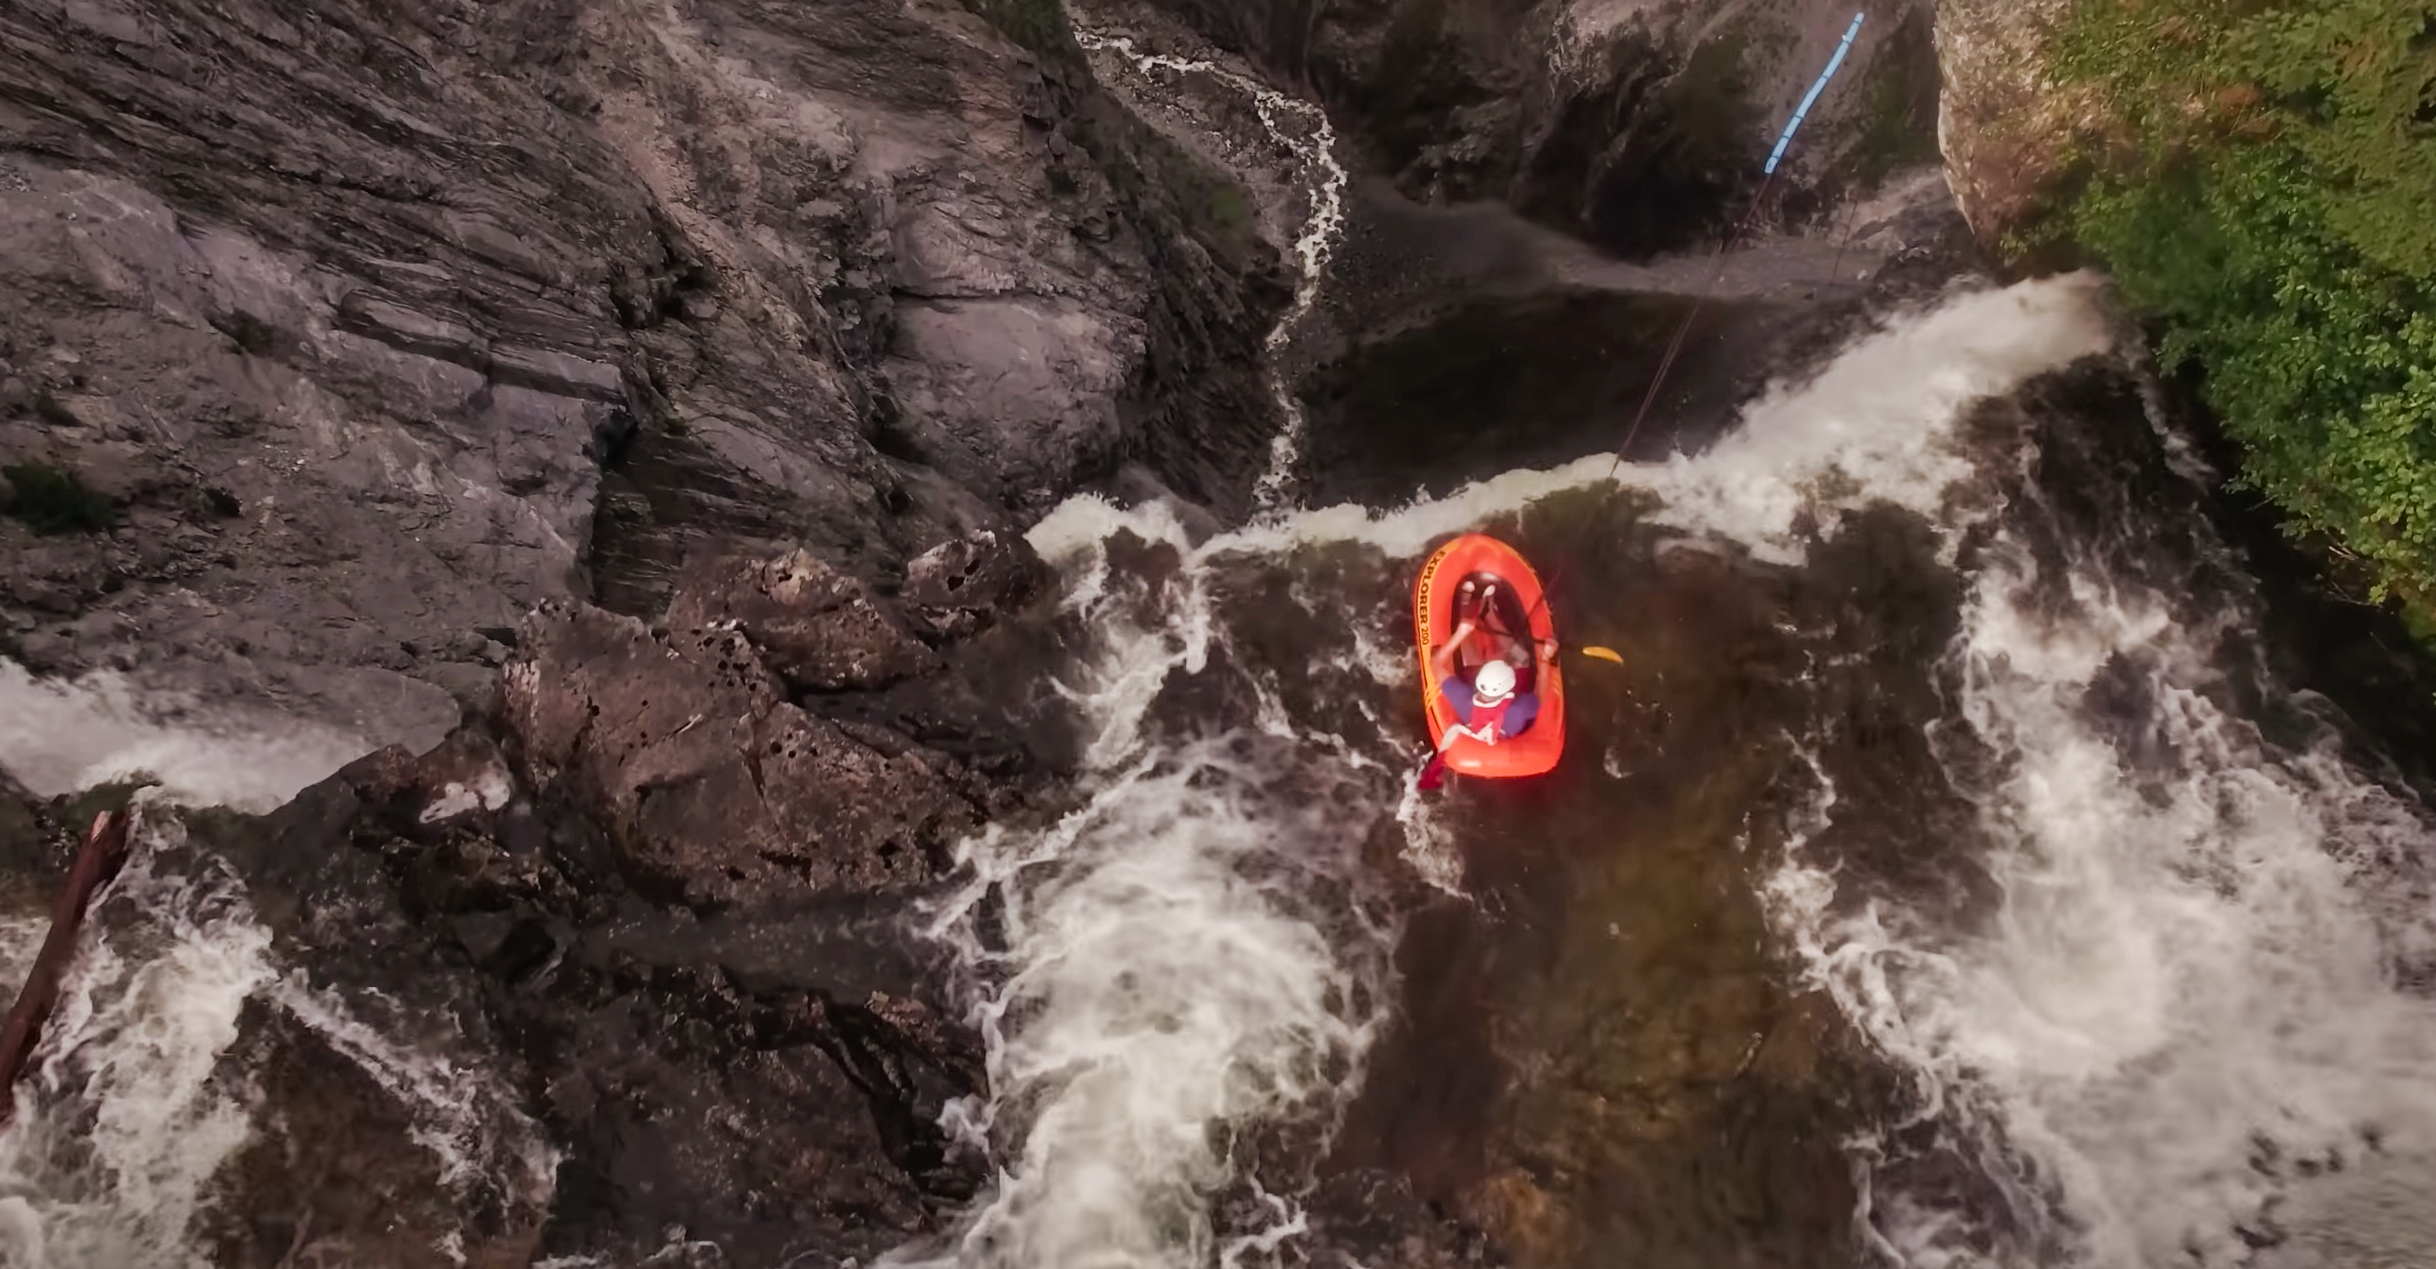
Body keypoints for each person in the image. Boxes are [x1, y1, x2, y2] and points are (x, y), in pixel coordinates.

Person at [1430, 579, 1556, 747]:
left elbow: (1435, 664)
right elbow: (1540, 695)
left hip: (1475, 678)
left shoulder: (1464, 701)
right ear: (1510, 688)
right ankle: (1488, 613)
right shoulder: (1518, 710)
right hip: (1503, 704)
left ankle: (1466, 612)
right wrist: (1545, 659)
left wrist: (1460, 634)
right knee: (1522, 658)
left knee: (1472, 660)